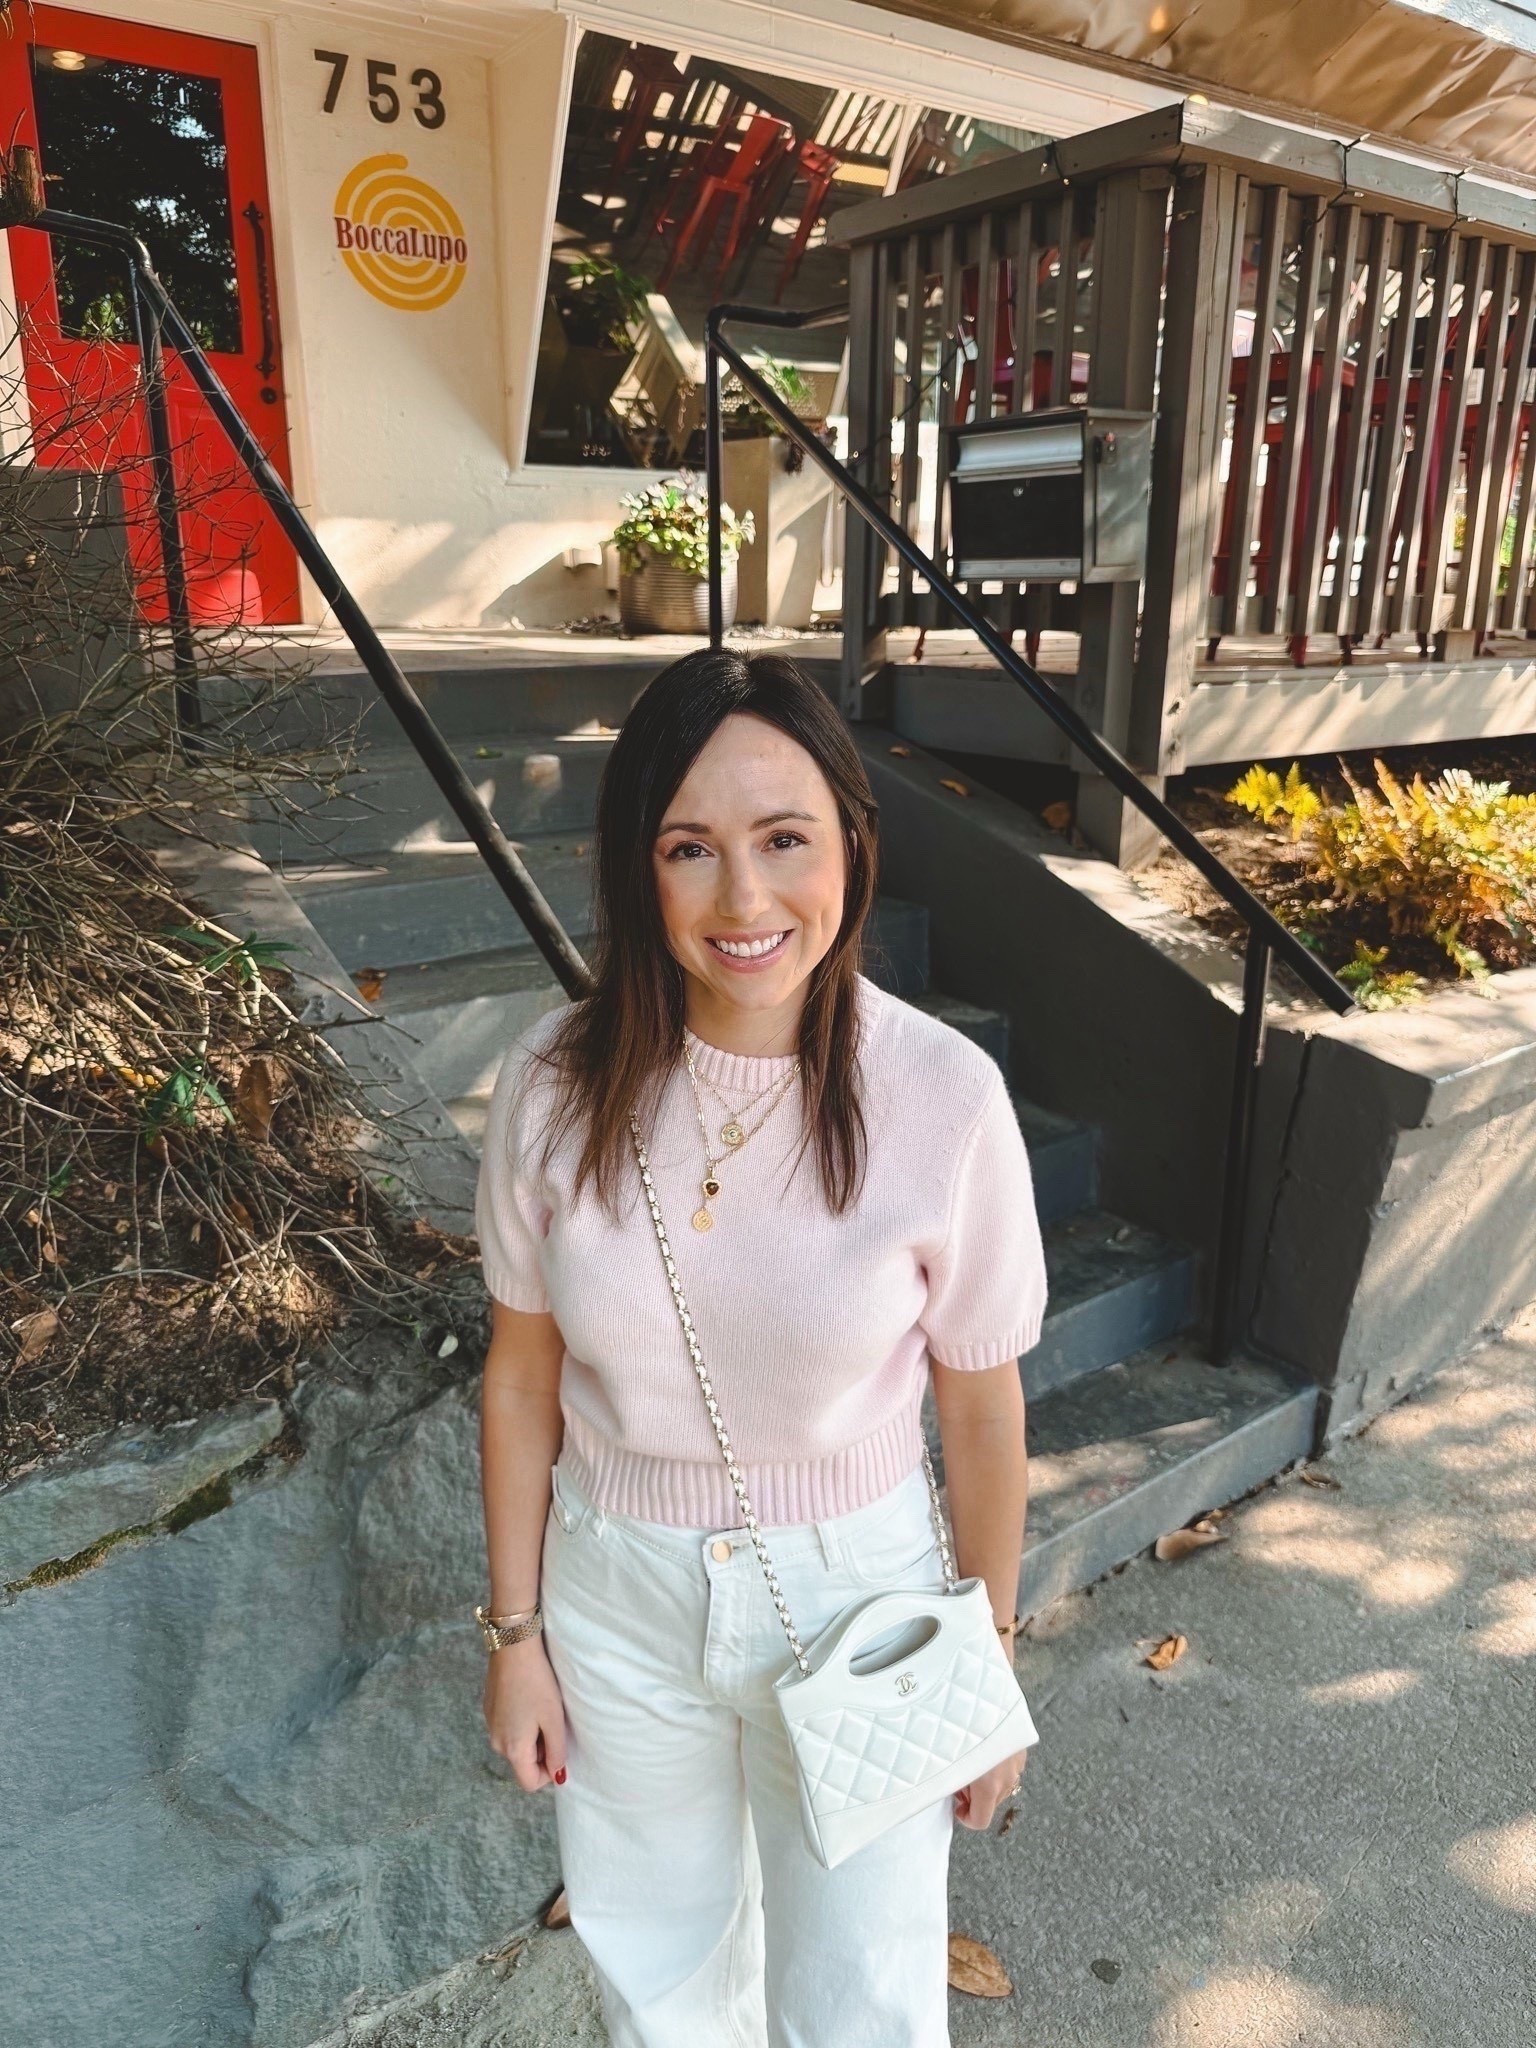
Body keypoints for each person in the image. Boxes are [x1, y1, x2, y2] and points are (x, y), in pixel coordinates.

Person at [474, 647, 1047, 2047]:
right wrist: (516, 1635)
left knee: (864, 1992)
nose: (744, 900)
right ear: (638, 868)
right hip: (616, 1595)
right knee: (660, 1981)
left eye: (785, 838)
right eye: (690, 849)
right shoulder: (552, 1088)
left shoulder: (944, 1098)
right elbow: (522, 1376)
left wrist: (990, 1656)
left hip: (862, 1596)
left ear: (851, 839)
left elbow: (980, 1409)